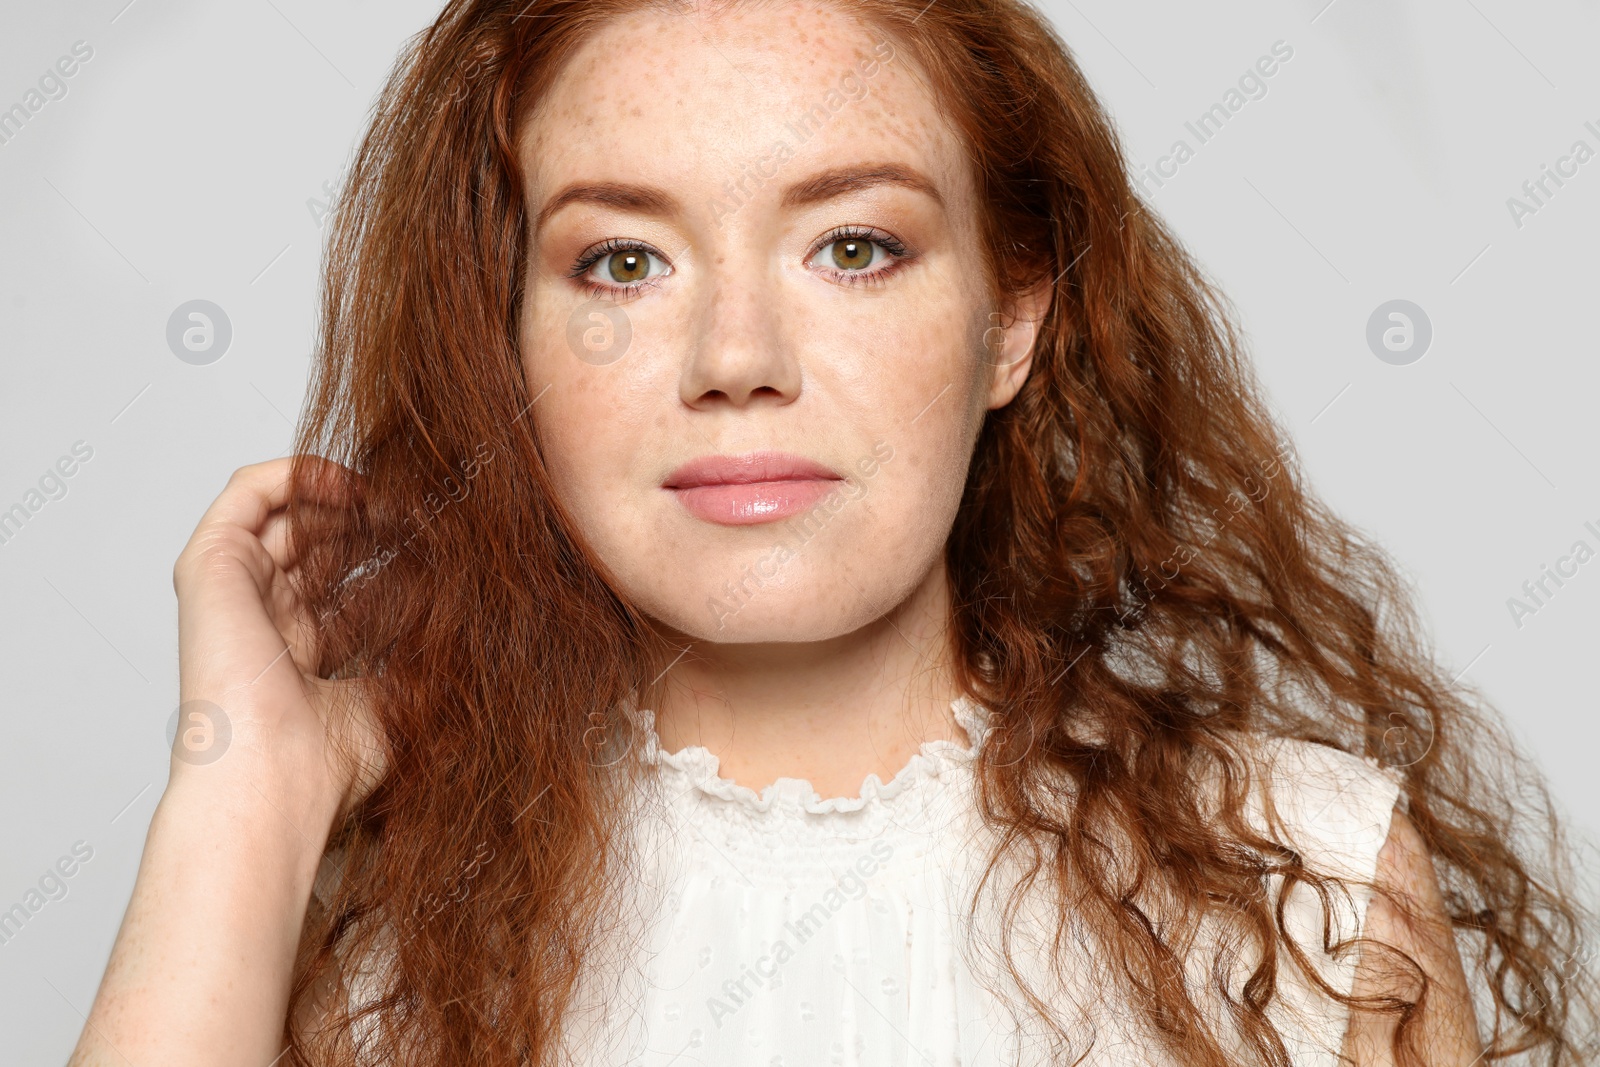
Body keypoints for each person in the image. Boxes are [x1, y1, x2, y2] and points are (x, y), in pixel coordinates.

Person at [69, 1, 1597, 1065]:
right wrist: (248, 796)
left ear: (1010, 321)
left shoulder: (1304, 891)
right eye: (621, 262)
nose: (737, 354)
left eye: (854, 246)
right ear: (510, 347)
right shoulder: (392, 957)